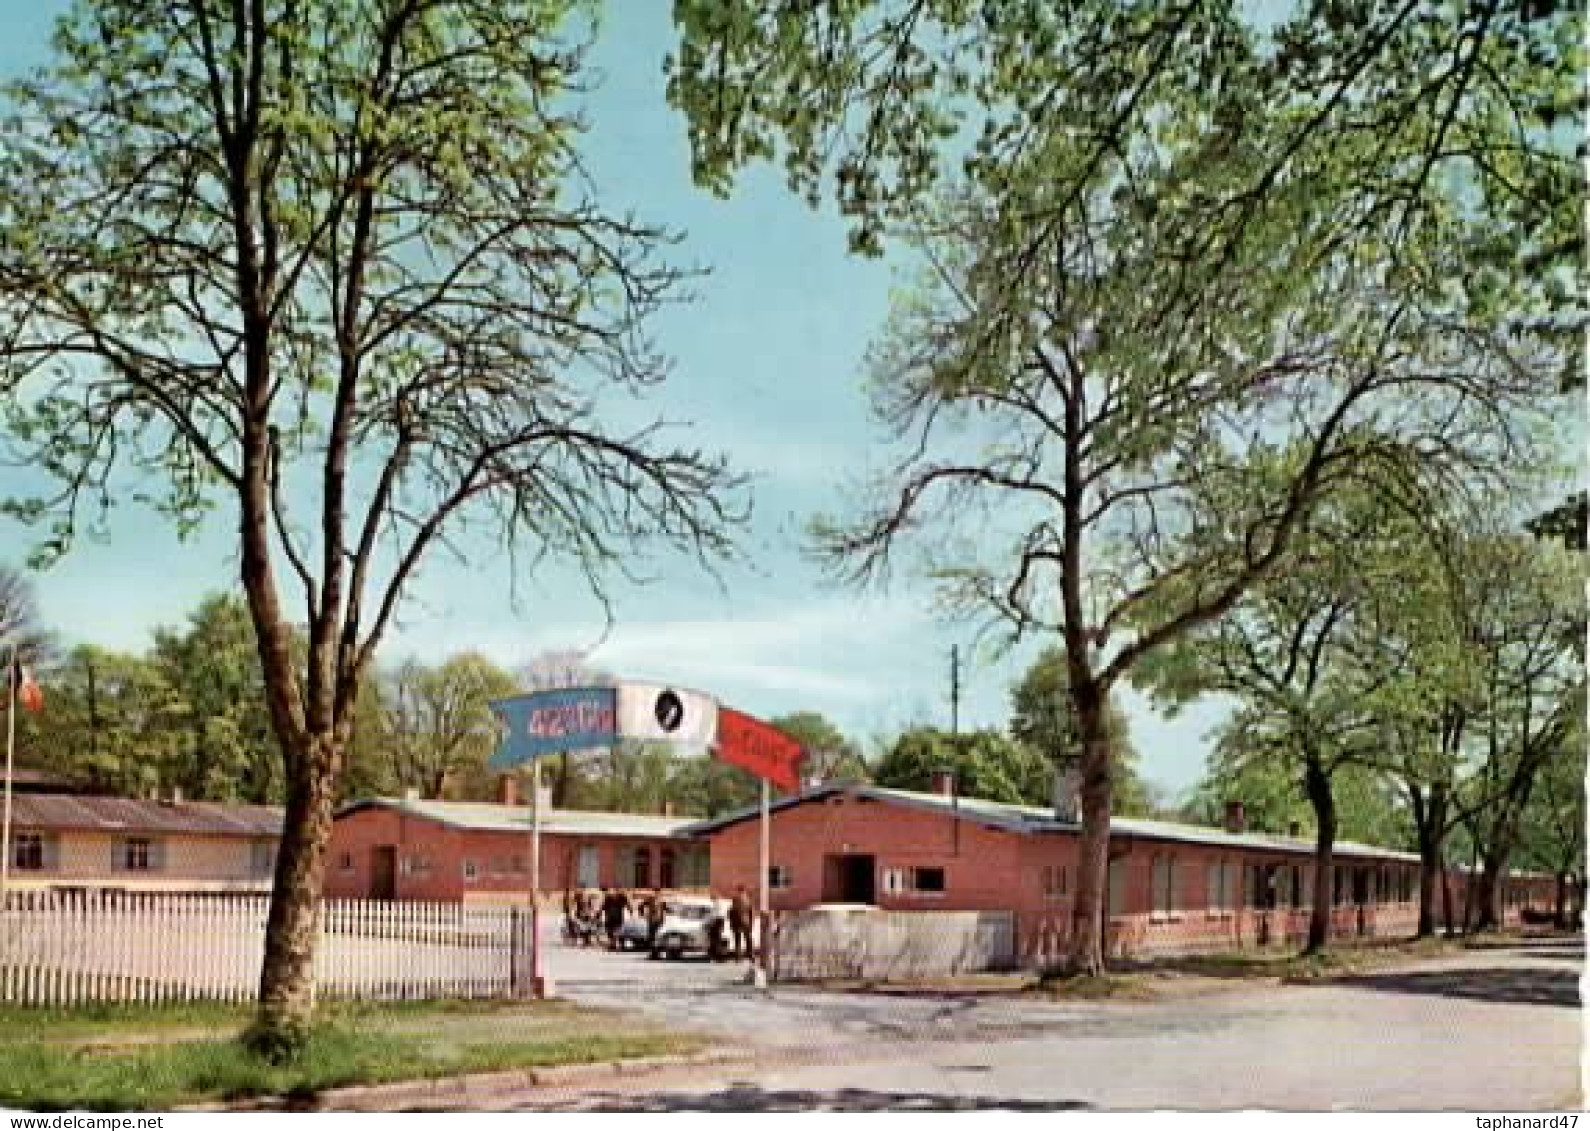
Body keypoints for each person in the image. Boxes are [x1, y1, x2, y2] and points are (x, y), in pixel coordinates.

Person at [728, 885, 754, 961]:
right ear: (744, 890)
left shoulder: (735, 899)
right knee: (748, 939)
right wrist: (751, 923)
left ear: (738, 890)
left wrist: (731, 922)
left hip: (737, 922)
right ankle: (750, 955)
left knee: (737, 940)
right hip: (746, 922)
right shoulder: (748, 900)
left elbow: (731, 912)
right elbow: (751, 912)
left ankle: (738, 957)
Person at [601, 886, 630, 951]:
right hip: (614, 916)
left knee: (614, 930)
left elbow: (603, 907)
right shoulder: (620, 897)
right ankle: (616, 944)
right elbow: (628, 905)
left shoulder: (618, 897)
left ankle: (615, 944)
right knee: (615, 930)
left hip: (613, 916)